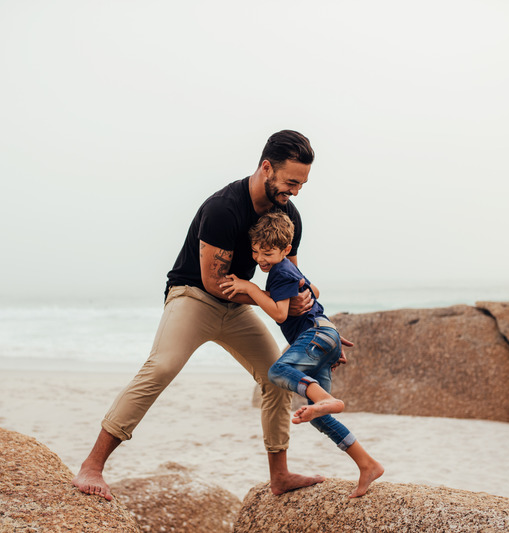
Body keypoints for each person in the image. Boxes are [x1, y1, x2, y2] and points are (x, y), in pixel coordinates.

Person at [73, 130, 329, 500]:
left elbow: (291, 280)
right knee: (161, 367)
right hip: (194, 295)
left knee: (278, 378)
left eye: (302, 184)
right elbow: (214, 282)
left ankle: (280, 476)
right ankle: (92, 466)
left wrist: (319, 329)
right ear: (266, 168)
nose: (296, 191)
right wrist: (257, 293)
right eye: (291, 182)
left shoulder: (287, 215)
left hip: (240, 301)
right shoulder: (224, 208)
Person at [220, 211, 384, 498]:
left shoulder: (281, 272)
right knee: (320, 419)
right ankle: (367, 464)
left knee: (277, 372)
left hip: (316, 336)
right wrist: (329, 341)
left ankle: (326, 400)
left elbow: (279, 312)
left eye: (268, 253)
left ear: (285, 250)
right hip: (324, 335)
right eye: (256, 251)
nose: (260, 259)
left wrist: (250, 288)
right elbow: (315, 291)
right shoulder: (287, 270)